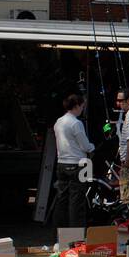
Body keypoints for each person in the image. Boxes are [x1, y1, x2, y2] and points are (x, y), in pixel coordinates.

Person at [52, 93, 94, 228]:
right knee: (77, 202)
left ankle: (60, 235)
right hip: (79, 164)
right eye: (82, 106)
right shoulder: (76, 123)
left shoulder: (59, 121)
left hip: (61, 163)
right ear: (76, 106)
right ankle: (77, 236)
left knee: (61, 200)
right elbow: (85, 146)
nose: (82, 109)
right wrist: (92, 146)